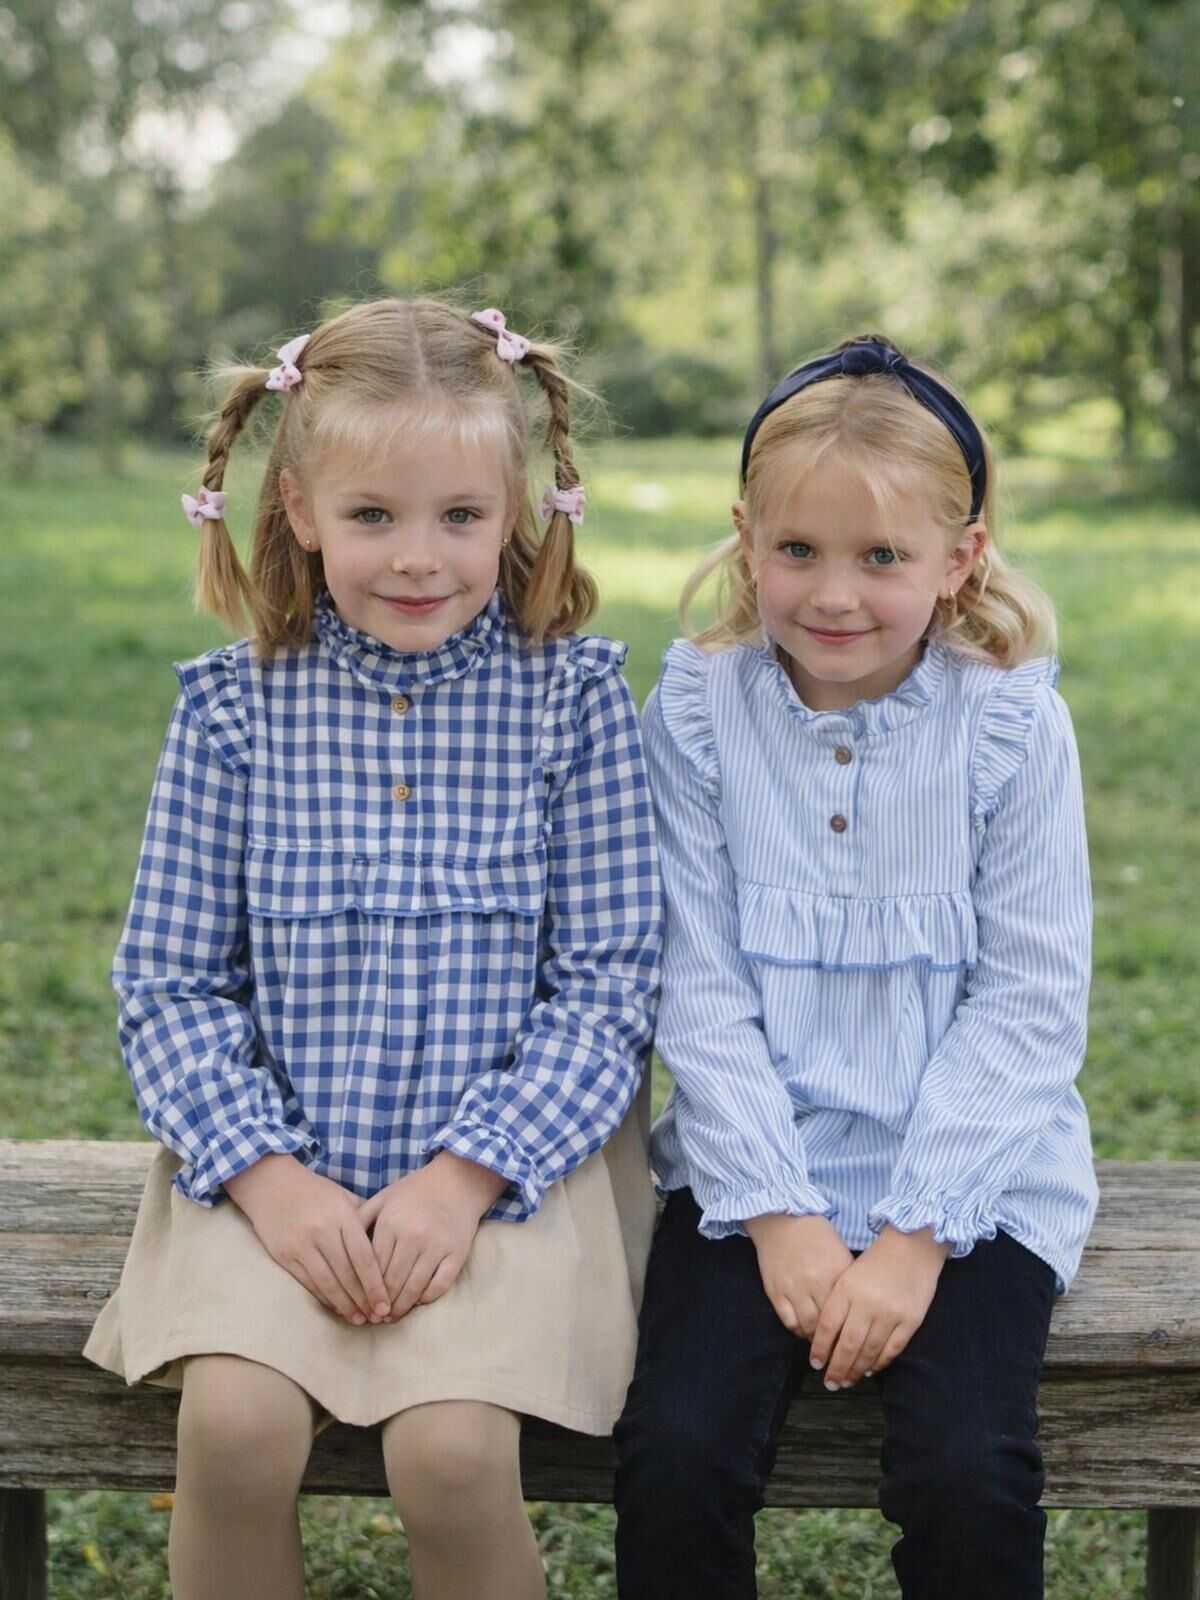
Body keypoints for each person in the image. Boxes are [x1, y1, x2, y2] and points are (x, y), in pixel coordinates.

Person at [84, 297, 662, 1600]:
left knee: (451, 1457)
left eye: (460, 516)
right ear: (297, 510)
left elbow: (611, 984)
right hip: (273, 1159)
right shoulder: (232, 715)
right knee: (234, 1431)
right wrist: (271, 1181)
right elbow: (169, 986)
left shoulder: (572, 705)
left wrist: (464, 1180)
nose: (419, 558)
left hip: (513, 1169)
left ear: (519, 505)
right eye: (373, 517)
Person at [612, 334, 1097, 1600]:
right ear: (744, 540)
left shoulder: (1011, 728)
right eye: (798, 551)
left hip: (976, 1186)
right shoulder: (699, 712)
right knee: (674, 1452)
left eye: (882, 557)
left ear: (961, 558)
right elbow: (697, 987)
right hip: (750, 1169)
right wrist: (779, 1216)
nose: (836, 593)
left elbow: (1031, 1006)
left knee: (969, 1471)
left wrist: (913, 1240)